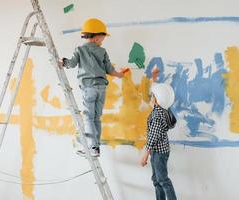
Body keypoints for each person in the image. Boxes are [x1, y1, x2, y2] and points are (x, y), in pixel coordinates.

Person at [61, 18, 126, 157]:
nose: (102, 42)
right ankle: (95, 147)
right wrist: (120, 75)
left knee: (88, 118)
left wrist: (62, 62)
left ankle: (93, 147)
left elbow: (71, 64)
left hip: (88, 88)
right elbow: (110, 70)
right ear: (96, 38)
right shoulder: (102, 51)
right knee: (97, 118)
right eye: (102, 39)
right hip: (102, 88)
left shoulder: (79, 50)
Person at [141, 67, 177, 200]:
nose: (151, 97)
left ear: (156, 100)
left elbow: (152, 137)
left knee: (162, 180)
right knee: (156, 180)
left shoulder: (157, 115)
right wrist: (154, 79)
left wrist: (145, 155)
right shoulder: (162, 108)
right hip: (159, 151)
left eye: (152, 96)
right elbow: (158, 93)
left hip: (159, 153)